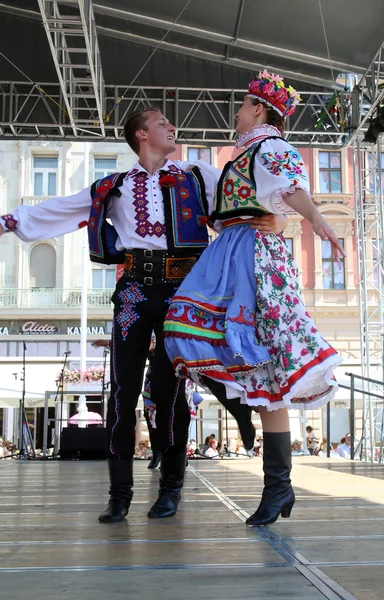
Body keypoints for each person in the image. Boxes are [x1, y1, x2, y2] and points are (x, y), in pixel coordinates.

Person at [0, 106, 286, 524]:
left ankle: (171, 487)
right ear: (141, 134)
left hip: (183, 290)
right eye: (162, 123)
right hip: (134, 292)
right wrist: (8, 222)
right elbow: (62, 209)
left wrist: (270, 216)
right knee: (122, 391)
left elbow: (235, 209)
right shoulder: (113, 186)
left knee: (171, 392)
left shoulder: (197, 174)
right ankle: (119, 494)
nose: (172, 127)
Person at [164, 70, 344, 527]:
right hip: (233, 252)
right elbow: (264, 195)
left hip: (252, 259)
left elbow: (290, 190)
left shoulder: (271, 147)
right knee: (197, 338)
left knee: (263, 373)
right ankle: (274, 479)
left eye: (243, 106)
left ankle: (278, 487)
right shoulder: (243, 156)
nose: (237, 113)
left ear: (258, 109)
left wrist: (315, 220)